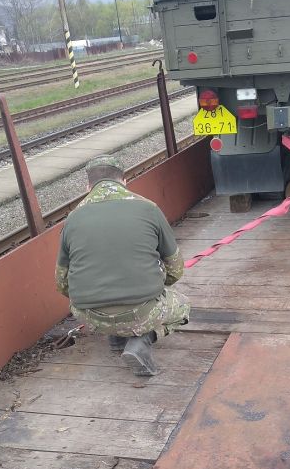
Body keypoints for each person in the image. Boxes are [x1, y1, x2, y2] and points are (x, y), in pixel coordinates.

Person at [55, 155, 190, 376]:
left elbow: (61, 282)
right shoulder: (149, 209)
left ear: (88, 187)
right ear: (124, 181)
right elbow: (176, 269)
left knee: (103, 297)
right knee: (182, 306)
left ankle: (116, 339)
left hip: (91, 316)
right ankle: (141, 341)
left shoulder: (72, 219)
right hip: (142, 311)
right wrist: (156, 282)